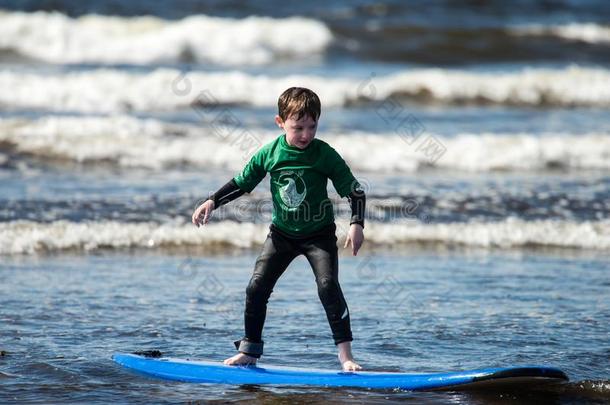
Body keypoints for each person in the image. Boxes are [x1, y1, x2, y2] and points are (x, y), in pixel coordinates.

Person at [192, 87, 366, 371]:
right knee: (256, 287)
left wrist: (357, 223)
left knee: (328, 287)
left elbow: (355, 191)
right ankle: (249, 350)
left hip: (319, 236)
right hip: (281, 235)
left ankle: (346, 356)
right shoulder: (270, 153)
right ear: (280, 122)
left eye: (312, 126)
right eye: (298, 127)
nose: (306, 134)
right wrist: (212, 201)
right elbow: (242, 182)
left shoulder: (324, 154)